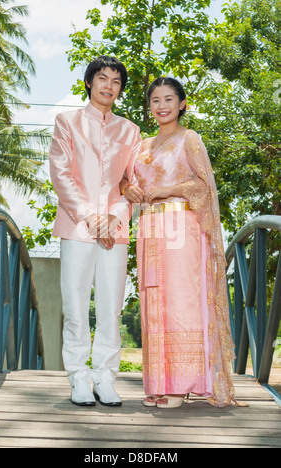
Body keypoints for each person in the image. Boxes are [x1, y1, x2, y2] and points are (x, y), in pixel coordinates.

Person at [120, 77, 238, 408]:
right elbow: (125, 180)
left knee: (181, 301)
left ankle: (182, 386)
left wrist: (166, 190)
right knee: (154, 302)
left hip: (181, 226)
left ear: (182, 104)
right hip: (150, 229)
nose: (162, 106)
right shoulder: (142, 145)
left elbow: (204, 186)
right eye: (155, 100)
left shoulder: (190, 139)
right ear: (149, 106)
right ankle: (160, 384)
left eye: (168, 99)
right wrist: (128, 189)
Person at [49, 56, 142, 407]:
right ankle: (78, 378)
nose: (108, 86)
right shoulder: (67, 122)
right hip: (76, 227)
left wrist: (115, 218)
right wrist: (91, 217)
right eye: (102, 78)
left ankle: (105, 377)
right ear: (89, 82)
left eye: (116, 81)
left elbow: (132, 182)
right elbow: (62, 174)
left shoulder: (130, 131)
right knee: (75, 305)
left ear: (120, 88)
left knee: (110, 307)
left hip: (115, 232)